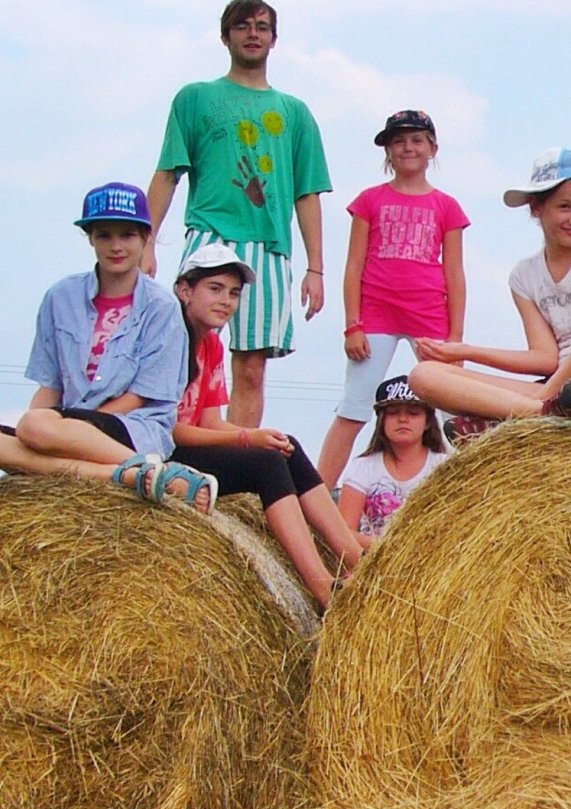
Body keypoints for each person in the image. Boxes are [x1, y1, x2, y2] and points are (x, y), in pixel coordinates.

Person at [0, 182, 214, 511]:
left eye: (127, 235)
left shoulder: (162, 307)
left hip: (133, 425)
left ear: (145, 238)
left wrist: (65, 427)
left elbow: (140, 397)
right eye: (104, 235)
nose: (116, 246)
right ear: (90, 238)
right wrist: (36, 431)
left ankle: (144, 464)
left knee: (37, 426)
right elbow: (51, 385)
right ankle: (127, 475)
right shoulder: (60, 297)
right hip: (62, 425)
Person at [147, 0, 331, 429]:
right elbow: (168, 173)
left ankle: (240, 456)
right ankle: (178, 443)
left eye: (262, 27)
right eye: (243, 26)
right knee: (187, 350)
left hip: (268, 245)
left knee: (251, 367)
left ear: (274, 39)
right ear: (225, 36)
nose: (253, 34)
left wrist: (316, 268)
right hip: (210, 233)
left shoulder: (295, 112)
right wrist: (146, 242)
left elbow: (307, 193)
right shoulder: (195, 98)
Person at [171, 245, 366, 609]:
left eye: (233, 293)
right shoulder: (171, 340)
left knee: (284, 446)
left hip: (189, 446)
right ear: (185, 290)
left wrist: (259, 437)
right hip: (162, 454)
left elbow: (209, 421)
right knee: (266, 463)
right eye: (215, 289)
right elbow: (170, 430)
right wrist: (247, 437)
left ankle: (355, 559)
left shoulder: (210, 345)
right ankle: (322, 587)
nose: (226, 301)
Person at [408, 148, 571, 433]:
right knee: (422, 375)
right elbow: (545, 358)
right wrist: (465, 351)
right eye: (565, 207)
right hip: (560, 390)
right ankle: (540, 412)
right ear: (535, 207)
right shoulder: (523, 276)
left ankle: (522, 415)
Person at [314, 110, 469, 487]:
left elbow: (454, 273)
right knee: (353, 407)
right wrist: (352, 325)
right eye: (398, 141)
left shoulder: (447, 206)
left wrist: (456, 338)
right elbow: (353, 264)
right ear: (387, 151)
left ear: (432, 148)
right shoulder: (369, 200)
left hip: (429, 315)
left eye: (416, 140)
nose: (407, 148)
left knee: (456, 410)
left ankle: (476, 491)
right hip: (376, 316)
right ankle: (314, 494)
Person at [338, 376, 449, 540]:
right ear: (382, 421)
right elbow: (343, 531)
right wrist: (384, 550)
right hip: (371, 553)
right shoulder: (362, 467)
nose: (403, 419)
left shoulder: (444, 466)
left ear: (427, 422)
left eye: (413, 413)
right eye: (393, 413)